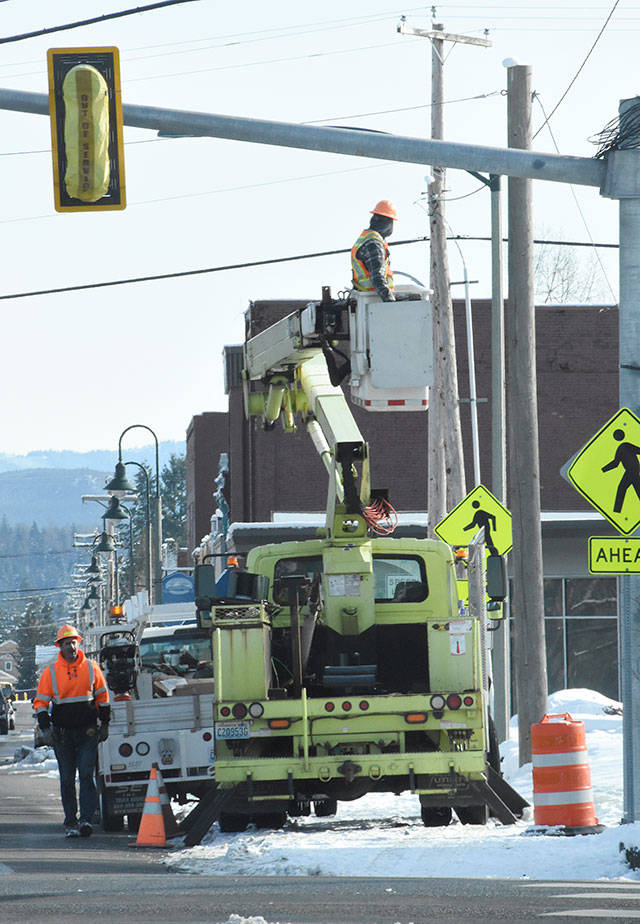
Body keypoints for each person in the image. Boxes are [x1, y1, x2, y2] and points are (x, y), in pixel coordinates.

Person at [33, 624, 110, 839]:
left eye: (74, 642)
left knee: (86, 775)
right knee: (67, 779)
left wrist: (105, 724)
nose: (71, 646)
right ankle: (71, 822)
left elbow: (103, 697)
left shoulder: (91, 667)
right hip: (62, 734)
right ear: (60, 646)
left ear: (79, 643)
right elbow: (40, 701)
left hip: (87, 732)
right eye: (67, 643)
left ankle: (86, 819)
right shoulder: (51, 673)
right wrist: (45, 726)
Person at [351, 199, 398, 302]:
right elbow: (377, 278)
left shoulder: (367, 238)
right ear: (386, 223)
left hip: (367, 299)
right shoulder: (374, 244)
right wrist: (391, 302)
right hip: (373, 301)